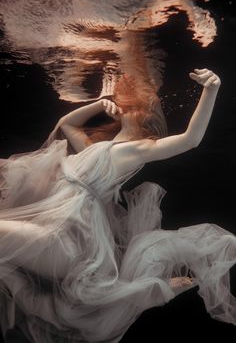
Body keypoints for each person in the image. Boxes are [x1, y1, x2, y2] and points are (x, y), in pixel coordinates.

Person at [0, 68, 235, 343]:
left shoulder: (137, 150)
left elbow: (190, 140)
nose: (122, 104)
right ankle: (151, 291)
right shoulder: (95, 149)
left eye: (132, 103)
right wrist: (99, 104)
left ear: (144, 114)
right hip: (55, 230)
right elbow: (66, 124)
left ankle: (150, 290)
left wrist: (211, 89)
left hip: (68, 238)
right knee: (16, 279)